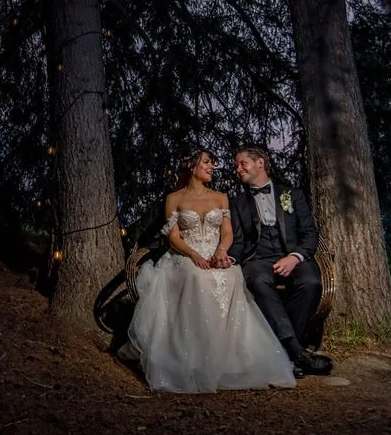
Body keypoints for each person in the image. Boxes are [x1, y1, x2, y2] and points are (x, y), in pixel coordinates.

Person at [119, 148, 296, 392]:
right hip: (184, 255)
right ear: (192, 166)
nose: (212, 167)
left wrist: (221, 252)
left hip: (215, 254)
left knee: (232, 276)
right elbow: (173, 237)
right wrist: (193, 254)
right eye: (207, 162)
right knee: (196, 278)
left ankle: (229, 357)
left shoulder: (220, 197)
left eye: (213, 163)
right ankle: (193, 356)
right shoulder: (174, 198)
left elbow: (227, 232)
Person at [228, 145, 333, 378]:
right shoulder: (236, 203)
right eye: (236, 165)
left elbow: (310, 233)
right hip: (258, 258)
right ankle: (297, 352)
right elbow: (237, 241)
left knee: (311, 283)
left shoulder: (292, 195)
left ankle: (284, 352)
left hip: (293, 256)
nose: (237, 169)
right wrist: (229, 257)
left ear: (260, 163)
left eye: (242, 163)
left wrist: (294, 257)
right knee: (257, 281)